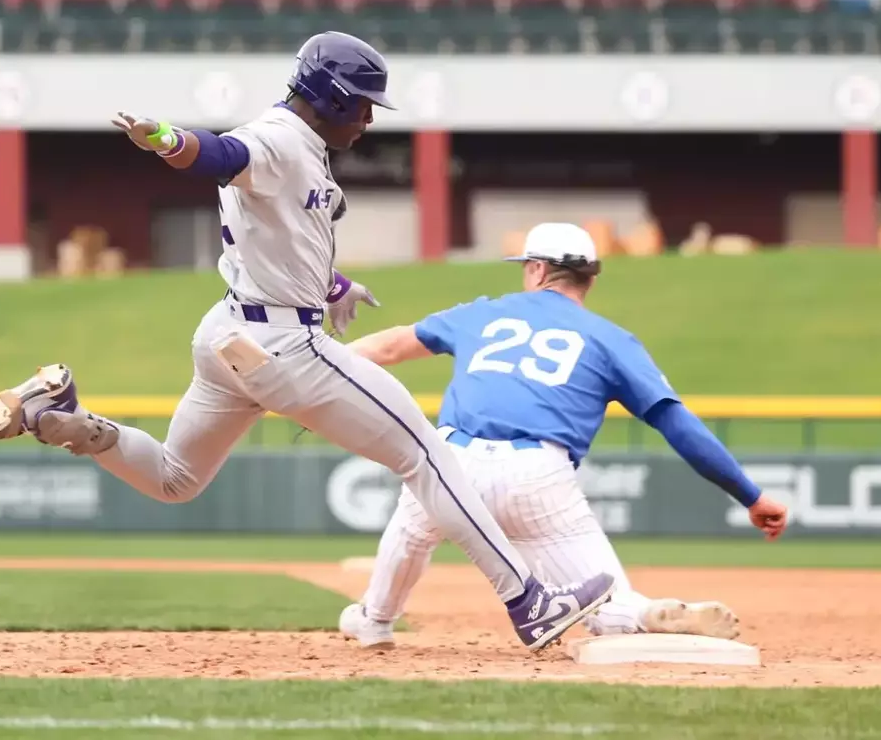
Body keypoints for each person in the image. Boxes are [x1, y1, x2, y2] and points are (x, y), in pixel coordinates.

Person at [0, 32, 614, 652]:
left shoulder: (303, 149)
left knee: (175, 478)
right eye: (361, 104)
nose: (367, 119)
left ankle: (62, 420)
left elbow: (277, 237)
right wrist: (165, 139)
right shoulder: (278, 136)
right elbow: (220, 155)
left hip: (228, 335)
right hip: (283, 345)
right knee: (429, 453)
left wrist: (334, 288)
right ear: (330, 97)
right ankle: (528, 601)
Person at [336, 222, 789, 648]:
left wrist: (310, 369)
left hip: (453, 460)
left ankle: (375, 620)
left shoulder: (484, 314)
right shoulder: (611, 340)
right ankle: (645, 613)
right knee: (600, 603)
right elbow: (678, 425)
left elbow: (388, 347)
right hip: (538, 474)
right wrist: (750, 496)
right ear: (588, 280)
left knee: (415, 528)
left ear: (536, 269)